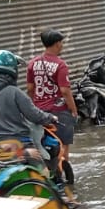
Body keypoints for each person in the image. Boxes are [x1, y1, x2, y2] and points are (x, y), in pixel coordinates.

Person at [0, 50, 58, 142]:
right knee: (36, 155)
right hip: (17, 141)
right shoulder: (16, 92)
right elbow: (33, 114)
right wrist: (50, 118)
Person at [26, 30, 78, 167]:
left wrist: (35, 106)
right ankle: (64, 173)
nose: (62, 45)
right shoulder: (60, 65)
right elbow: (65, 91)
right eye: (61, 42)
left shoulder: (32, 63)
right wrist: (73, 110)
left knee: (42, 144)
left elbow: (30, 89)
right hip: (59, 111)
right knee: (63, 146)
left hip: (39, 113)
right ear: (57, 44)